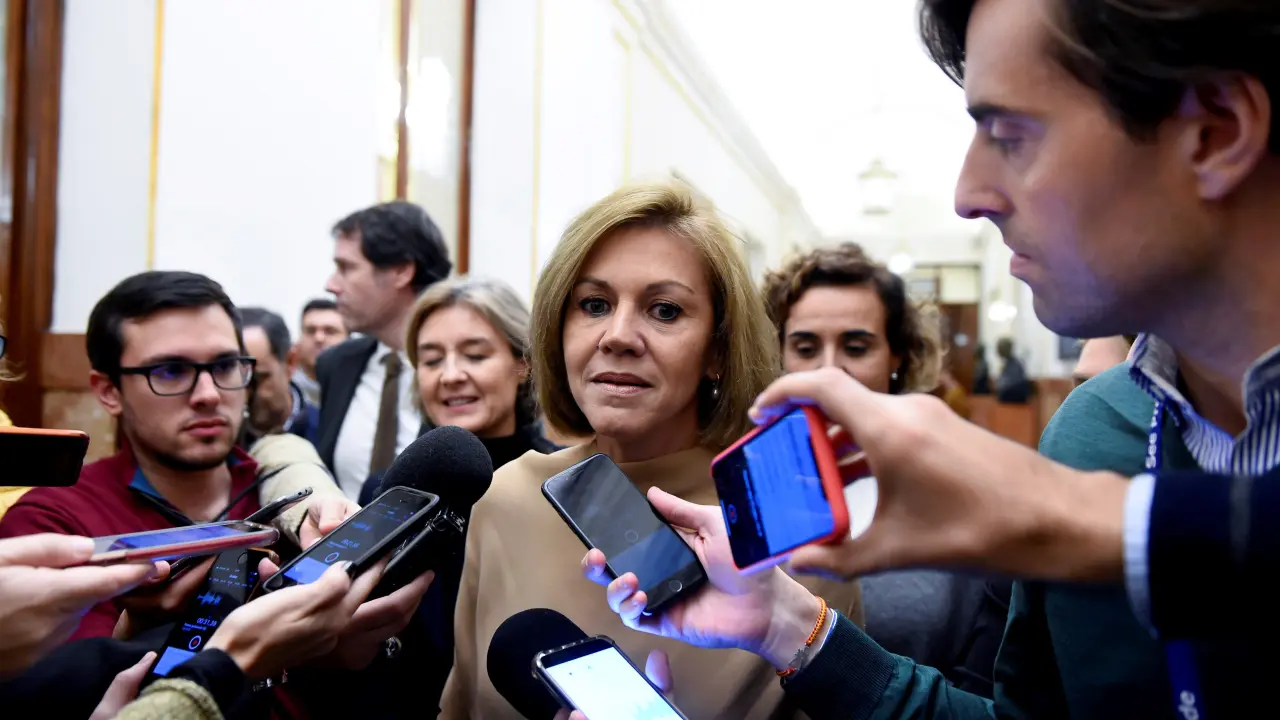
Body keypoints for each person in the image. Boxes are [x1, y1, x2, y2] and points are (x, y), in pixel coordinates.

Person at [580, 0, 1280, 713]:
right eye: (593, 304)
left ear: (1213, 132)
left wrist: (1059, 513)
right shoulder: (1091, 431)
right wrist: (782, 623)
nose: (968, 196)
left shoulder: (1068, 478)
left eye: (1011, 135)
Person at [438, 181, 863, 719]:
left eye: (664, 310)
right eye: (594, 305)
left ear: (718, 349)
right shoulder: (505, 497)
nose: (617, 336)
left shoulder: (788, 530)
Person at [760, 243, 1007, 697]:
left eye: (856, 347)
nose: (828, 371)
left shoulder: (955, 497)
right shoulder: (746, 486)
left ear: (897, 356)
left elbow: (983, 687)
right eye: (805, 347)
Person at [358, 275, 560, 709]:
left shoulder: (563, 482)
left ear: (522, 363)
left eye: (475, 355)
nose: (450, 376)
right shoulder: (387, 489)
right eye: (432, 360)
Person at [317, 201, 452, 500]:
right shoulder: (335, 365)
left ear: (402, 270)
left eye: (346, 268)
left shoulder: (460, 374)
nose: (331, 285)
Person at [238, 307, 319, 447]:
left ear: (290, 362)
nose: (244, 395)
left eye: (256, 380)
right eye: (234, 381)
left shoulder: (325, 432)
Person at [292, 298, 347, 408]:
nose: (319, 338)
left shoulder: (362, 390)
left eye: (330, 331)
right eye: (310, 331)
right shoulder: (285, 391)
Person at [993, 337, 1032, 403]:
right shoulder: (1008, 363)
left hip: (1014, 395)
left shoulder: (1015, 364)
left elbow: (1006, 384)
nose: (997, 351)